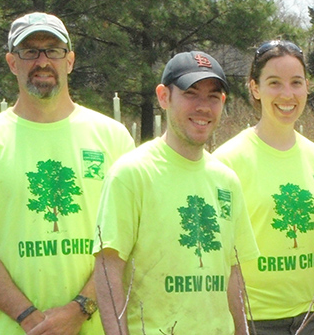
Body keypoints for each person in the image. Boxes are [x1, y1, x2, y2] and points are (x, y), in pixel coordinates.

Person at [0, 12, 134, 334]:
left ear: (69, 61)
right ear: (12, 62)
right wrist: (29, 318)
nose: (42, 60)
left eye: (53, 50)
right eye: (30, 51)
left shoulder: (113, 137)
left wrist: (80, 309)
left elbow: (127, 239)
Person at [93, 51, 260, 335]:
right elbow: (108, 269)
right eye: (191, 94)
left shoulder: (226, 181)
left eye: (213, 97)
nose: (203, 107)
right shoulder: (132, 174)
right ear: (163, 97)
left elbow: (233, 274)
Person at [212, 40, 314, 334]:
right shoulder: (228, 161)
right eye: (274, 83)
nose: (287, 94)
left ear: (307, 86)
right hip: (254, 318)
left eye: (296, 83)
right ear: (255, 88)